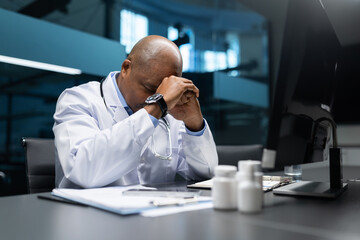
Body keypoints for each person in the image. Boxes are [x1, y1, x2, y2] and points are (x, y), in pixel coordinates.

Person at [53, 35, 218, 188]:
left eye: (165, 92)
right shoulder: (78, 100)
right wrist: (156, 106)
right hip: (87, 215)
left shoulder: (172, 114)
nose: (154, 98)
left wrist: (194, 124)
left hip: (150, 215)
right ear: (126, 68)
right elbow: (82, 170)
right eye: (150, 88)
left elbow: (206, 175)